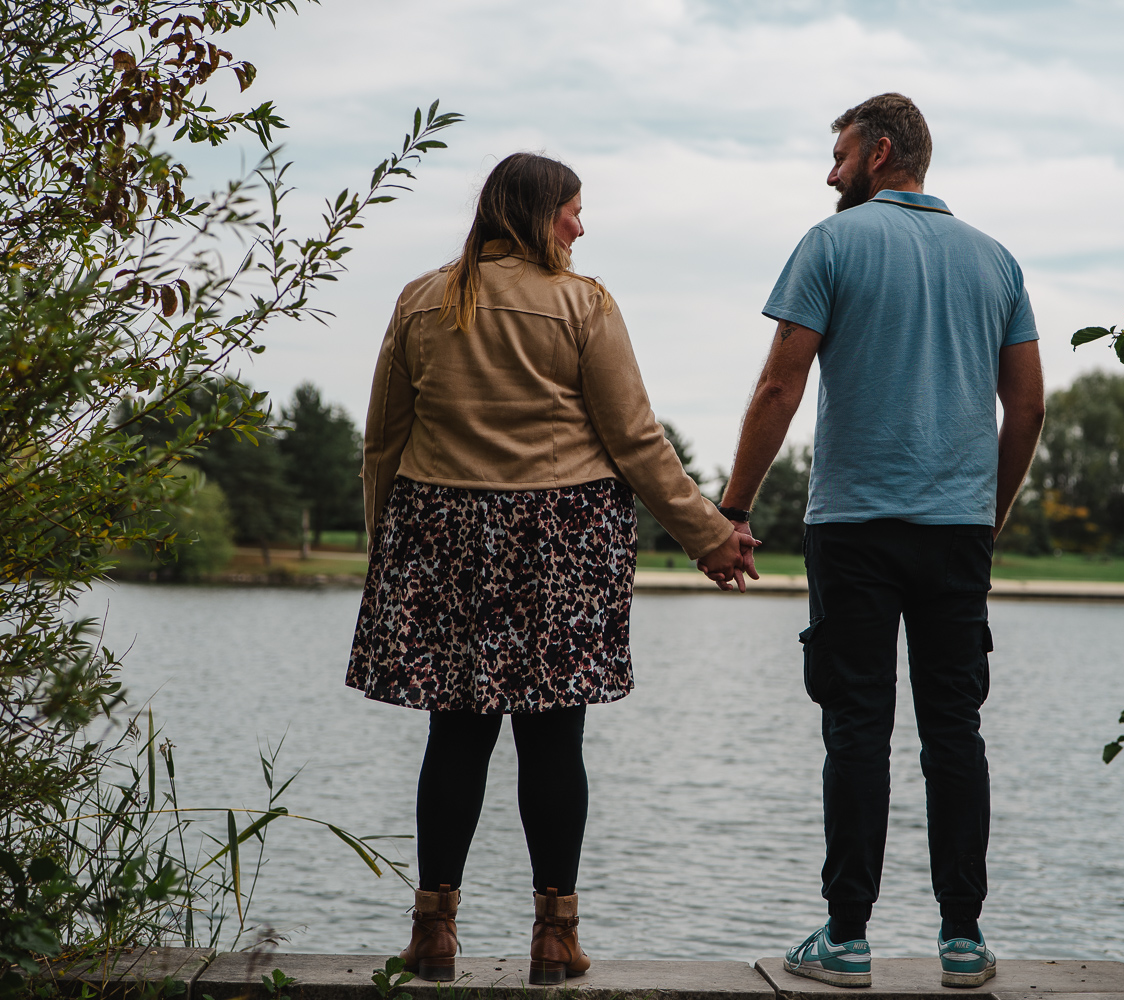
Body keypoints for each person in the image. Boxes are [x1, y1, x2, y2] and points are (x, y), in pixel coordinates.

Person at [346, 152, 757, 985]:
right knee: (553, 738)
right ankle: (556, 938)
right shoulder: (583, 305)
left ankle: (432, 934)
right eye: (573, 210)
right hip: (562, 536)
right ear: (539, 216)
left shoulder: (422, 300)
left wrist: (383, 552)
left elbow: (383, 439)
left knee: (454, 733)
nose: (581, 225)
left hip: (442, 532)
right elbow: (634, 441)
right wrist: (707, 532)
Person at [713, 94, 1046, 988]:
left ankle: (848, 940)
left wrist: (733, 508)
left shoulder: (833, 243)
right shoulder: (997, 261)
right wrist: (993, 510)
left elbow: (780, 386)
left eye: (840, 154)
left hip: (854, 529)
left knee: (856, 727)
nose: (830, 173)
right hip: (956, 535)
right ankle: (965, 941)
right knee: (955, 732)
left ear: (882, 150)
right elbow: (1030, 405)